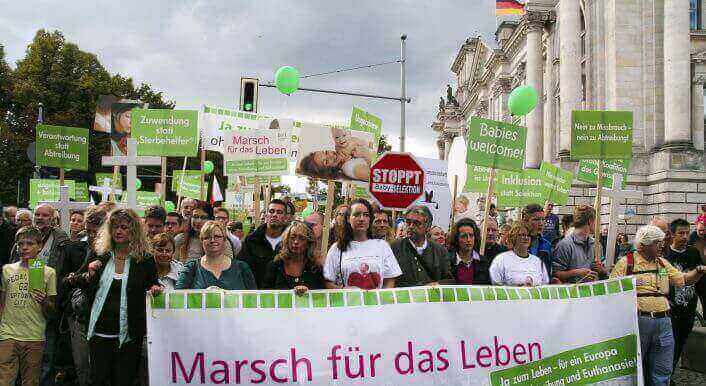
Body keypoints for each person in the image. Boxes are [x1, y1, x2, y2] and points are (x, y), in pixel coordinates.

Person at [75, 208, 162, 386]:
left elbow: (153, 284)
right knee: (98, 379)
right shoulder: (100, 255)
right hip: (99, 332)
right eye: (114, 227)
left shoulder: (145, 260)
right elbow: (74, 281)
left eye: (124, 227)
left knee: (124, 379)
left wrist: (155, 289)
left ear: (134, 230)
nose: (118, 231)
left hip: (129, 335)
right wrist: (89, 274)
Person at [610, 225, 706, 386]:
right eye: (657, 242)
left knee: (663, 369)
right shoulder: (626, 262)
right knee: (637, 368)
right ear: (643, 245)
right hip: (639, 322)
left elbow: (682, 280)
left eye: (662, 241)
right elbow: (612, 291)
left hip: (664, 322)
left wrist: (698, 271)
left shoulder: (662, 262)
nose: (662, 245)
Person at [9, 204, 69, 385]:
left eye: (45, 215)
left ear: (53, 219)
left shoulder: (61, 241)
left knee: (46, 356)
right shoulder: (24, 235)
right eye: (37, 214)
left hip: (47, 306)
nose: (40, 218)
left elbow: (63, 272)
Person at [59, 203, 113, 386]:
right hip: (81, 316)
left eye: (95, 232)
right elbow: (66, 281)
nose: (91, 237)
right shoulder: (81, 248)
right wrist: (76, 278)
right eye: (88, 232)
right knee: (83, 366)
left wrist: (80, 278)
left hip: (105, 319)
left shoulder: (113, 253)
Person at [0, 226, 57, 386]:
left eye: (29, 244)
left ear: (39, 246)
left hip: (34, 335)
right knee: (4, 380)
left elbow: (52, 308)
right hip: (8, 333)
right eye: (20, 244)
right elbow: (2, 302)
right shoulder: (7, 270)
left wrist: (45, 300)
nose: (24, 247)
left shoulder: (46, 272)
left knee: (31, 381)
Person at [323, 199, 402, 289]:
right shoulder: (337, 248)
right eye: (357, 215)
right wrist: (344, 293)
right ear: (348, 218)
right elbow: (328, 281)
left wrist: (382, 300)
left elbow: (390, 280)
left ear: (370, 219)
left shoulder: (382, 246)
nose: (361, 219)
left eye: (366, 215)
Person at [664, 219, 704, 374]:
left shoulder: (693, 253)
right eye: (681, 233)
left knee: (681, 342)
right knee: (669, 345)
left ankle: (670, 372)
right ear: (672, 234)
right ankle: (665, 376)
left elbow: (699, 282)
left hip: (688, 307)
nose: (685, 237)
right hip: (670, 309)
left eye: (687, 233)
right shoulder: (665, 254)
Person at [176, 221, 256, 290]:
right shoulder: (191, 268)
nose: (213, 240)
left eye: (217, 236)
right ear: (201, 241)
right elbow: (177, 296)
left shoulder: (242, 267)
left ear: (225, 240)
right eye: (207, 237)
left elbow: (254, 299)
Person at [391, 206, 449, 287]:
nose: (411, 226)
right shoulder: (394, 247)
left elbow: (449, 279)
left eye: (416, 223)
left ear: (428, 227)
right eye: (408, 222)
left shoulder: (440, 251)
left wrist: (437, 284)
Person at [237, 200, 288, 288]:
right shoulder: (252, 240)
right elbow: (243, 269)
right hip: (257, 294)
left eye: (279, 212)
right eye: (271, 211)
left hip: (283, 295)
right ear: (266, 215)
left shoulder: (291, 241)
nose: (275, 215)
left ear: (285, 217)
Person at [262, 221, 324, 293]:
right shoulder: (276, 264)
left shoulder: (315, 267)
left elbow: (322, 296)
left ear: (308, 243)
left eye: (301, 238)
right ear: (287, 240)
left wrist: (308, 293)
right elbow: (265, 294)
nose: (296, 242)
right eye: (292, 237)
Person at [553, 205, 607, 283]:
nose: (598, 224)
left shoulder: (596, 245)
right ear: (589, 221)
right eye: (596, 221)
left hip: (593, 292)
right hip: (574, 293)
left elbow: (604, 270)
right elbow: (556, 274)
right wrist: (577, 272)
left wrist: (602, 269)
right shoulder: (565, 245)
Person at [489, 222, 550, 286]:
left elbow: (544, 284)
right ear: (514, 237)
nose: (526, 238)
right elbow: (496, 285)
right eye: (522, 235)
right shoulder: (501, 259)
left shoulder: (537, 261)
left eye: (528, 235)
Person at [444, 218, 490, 285]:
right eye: (464, 236)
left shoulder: (483, 262)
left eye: (471, 235)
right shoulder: (447, 261)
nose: (468, 240)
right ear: (457, 239)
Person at [522, 204, 553, 277]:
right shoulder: (516, 243)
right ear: (525, 221)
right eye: (536, 219)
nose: (541, 223)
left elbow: (548, 271)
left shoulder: (547, 244)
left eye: (543, 219)